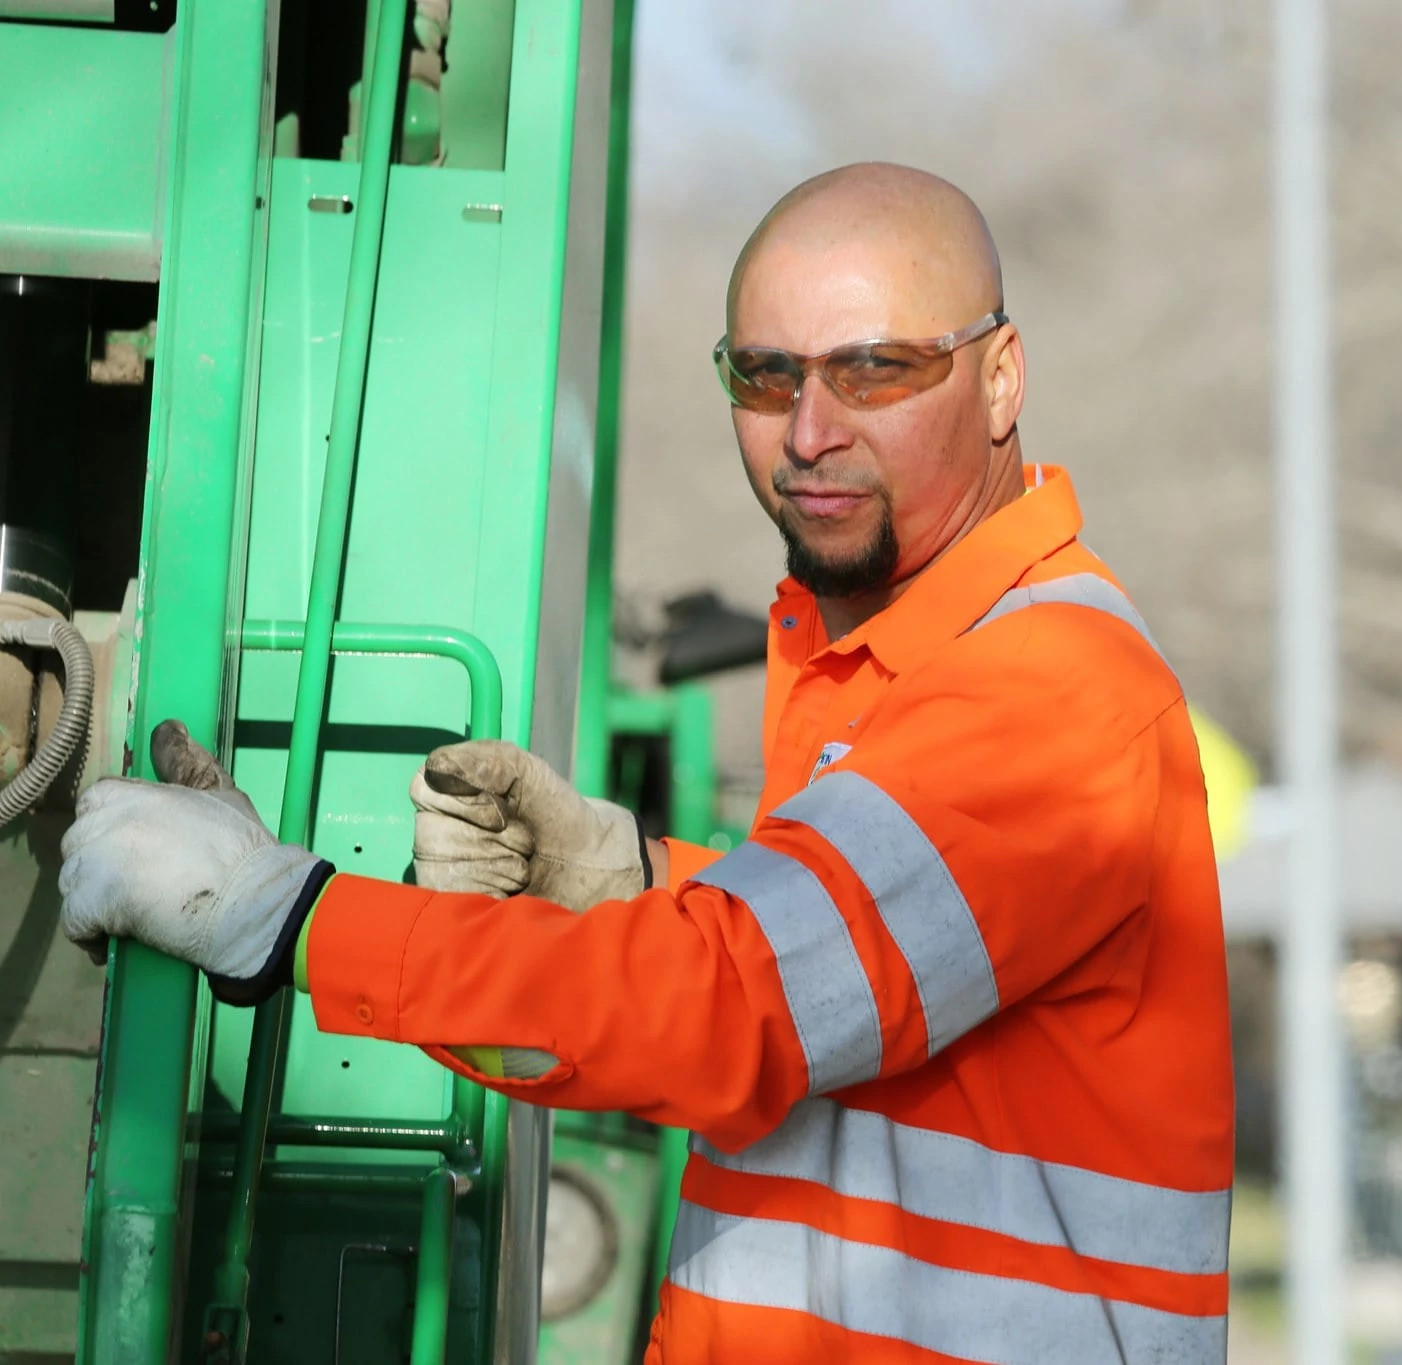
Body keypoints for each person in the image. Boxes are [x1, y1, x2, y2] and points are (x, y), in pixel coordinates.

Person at [59, 163, 1234, 1363]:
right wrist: (625, 884)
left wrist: (281, 916)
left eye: (876, 369)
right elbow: (839, 991)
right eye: (764, 376)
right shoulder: (886, 664)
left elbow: (734, 1012)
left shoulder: (1050, 692)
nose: (810, 433)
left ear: (1000, 379)